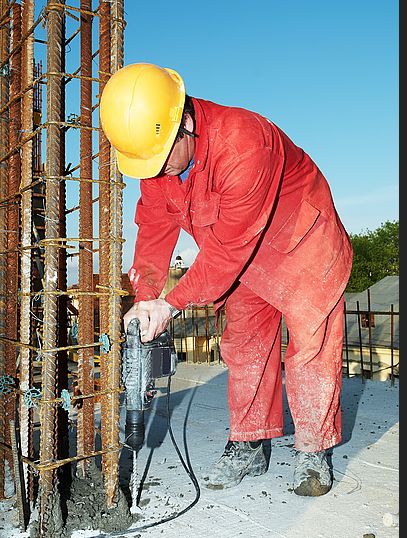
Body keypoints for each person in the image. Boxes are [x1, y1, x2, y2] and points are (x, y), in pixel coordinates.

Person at [100, 63, 352, 497]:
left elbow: (227, 250)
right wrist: (146, 297)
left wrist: (172, 303)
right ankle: (250, 443)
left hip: (303, 244)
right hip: (241, 256)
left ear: (186, 127)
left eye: (158, 160)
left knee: (310, 349)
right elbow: (155, 231)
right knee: (245, 345)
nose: (154, 173)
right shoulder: (159, 166)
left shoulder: (242, 141)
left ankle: (312, 450)